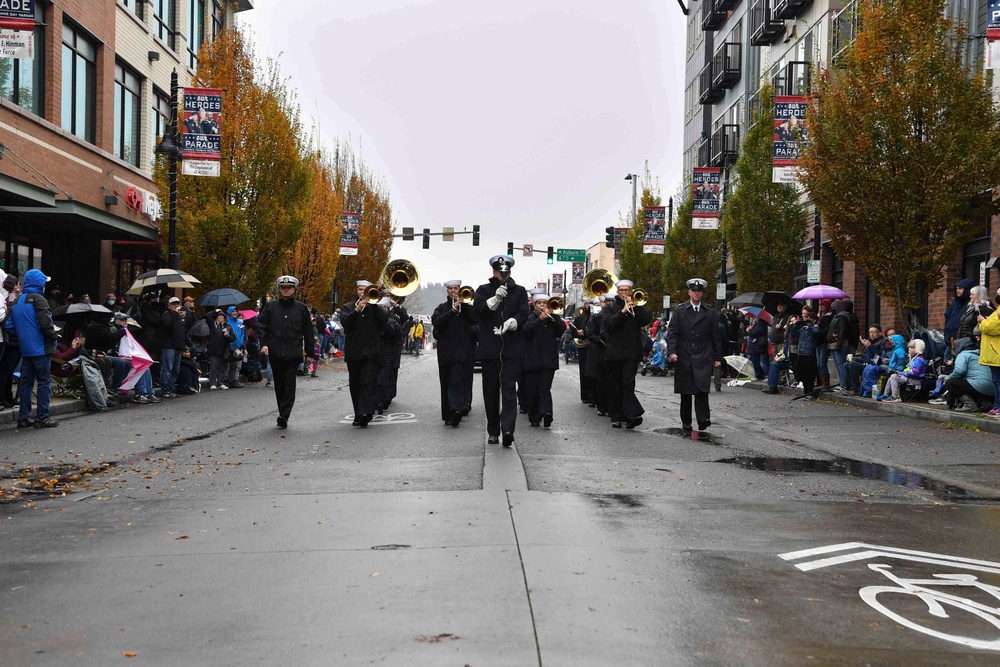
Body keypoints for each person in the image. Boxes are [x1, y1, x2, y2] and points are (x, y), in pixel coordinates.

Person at [473, 254, 529, 447]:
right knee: (490, 392)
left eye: (505, 272)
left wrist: (512, 322)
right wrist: (494, 299)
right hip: (490, 349)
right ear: (494, 272)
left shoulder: (520, 291)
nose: (502, 275)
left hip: (512, 349)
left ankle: (507, 430)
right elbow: (478, 312)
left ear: (510, 272)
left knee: (509, 391)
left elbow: (524, 314)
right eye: (499, 272)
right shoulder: (483, 290)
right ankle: (493, 430)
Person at [258, 275, 315, 429]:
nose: (286, 290)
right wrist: (264, 344)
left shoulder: (301, 308)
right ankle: (282, 410)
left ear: (294, 289)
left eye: (289, 287)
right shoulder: (270, 307)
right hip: (276, 351)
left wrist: (310, 354)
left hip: (293, 351)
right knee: (280, 385)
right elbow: (262, 326)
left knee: (289, 383)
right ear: (280, 289)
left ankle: (284, 414)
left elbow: (308, 332)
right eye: (284, 288)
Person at [666, 278, 722, 433]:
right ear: (689, 292)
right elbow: (672, 333)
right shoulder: (680, 310)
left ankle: (703, 418)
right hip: (684, 354)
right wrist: (672, 352)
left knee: (701, 388)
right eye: (693, 291)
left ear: (702, 293)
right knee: (686, 391)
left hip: (703, 353)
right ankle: (686, 422)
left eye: (699, 291)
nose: (696, 293)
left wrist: (718, 357)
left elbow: (715, 336)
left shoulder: (710, 312)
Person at [6, 269, 59, 428]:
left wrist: (24, 334)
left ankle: (24, 417)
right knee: (43, 382)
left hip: (26, 348)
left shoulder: (18, 300)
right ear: (39, 283)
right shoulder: (39, 299)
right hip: (41, 348)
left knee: (26, 383)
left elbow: (9, 325)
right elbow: (45, 323)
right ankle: (42, 417)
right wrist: (54, 336)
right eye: (43, 282)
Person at [338, 280, 388, 427]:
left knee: (367, 382)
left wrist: (373, 304)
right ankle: (358, 413)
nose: (362, 292)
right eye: (360, 289)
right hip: (354, 352)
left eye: (365, 290)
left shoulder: (375, 309)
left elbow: (384, 321)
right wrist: (357, 310)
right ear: (356, 291)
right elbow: (345, 324)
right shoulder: (347, 307)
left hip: (371, 353)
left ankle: (366, 412)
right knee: (355, 384)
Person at [603, 280, 651, 429]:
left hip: (631, 352)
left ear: (631, 291)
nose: (624, 293)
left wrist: (636, 307)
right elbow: (609, 325)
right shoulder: (610, 308)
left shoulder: (636, 306)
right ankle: (616, 416)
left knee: (627, 383)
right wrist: (623, 312)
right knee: (615, 385)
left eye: (627, 290)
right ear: (618, 292)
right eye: (621, 291)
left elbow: (646, 320)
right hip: (614, 352)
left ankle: (631, 415)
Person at [432, 280, 478, 427]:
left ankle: (457, 410)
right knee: (445, 383)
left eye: (456, 288)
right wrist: (451, 312)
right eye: (451, 289)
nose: (453, 291)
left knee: (456, 381)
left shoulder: (467, 308)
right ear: (447, 291)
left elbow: (475, 321)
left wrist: (462, 307)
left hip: (462, 352)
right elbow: (436, 322)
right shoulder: (441, 308)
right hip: (445, 353)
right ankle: (448, 414)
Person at [522, 293, 562, 427]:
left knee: (545, 388)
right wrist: (539, 319)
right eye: (540, 303)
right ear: (534, 305)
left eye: (545, 303)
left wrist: (553, 317)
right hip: (532, 361)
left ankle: (547, 413)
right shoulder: (529, 317)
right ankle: (534, 416)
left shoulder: (553, 318)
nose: (543, 306)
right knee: (532, 390)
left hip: (548, 361)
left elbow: (561, 330)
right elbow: (525, 331)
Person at [159, 296, 189, 398]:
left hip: (178, 346)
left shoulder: (180, 317)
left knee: (175, 370)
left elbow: (182, 332)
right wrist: (175, 314)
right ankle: (165, 390)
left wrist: (184, 346)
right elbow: (167, 325)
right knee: (168, 369)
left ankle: (170, 388)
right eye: (174, 304)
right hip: (169, 346)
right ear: (169, 305)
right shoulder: (166, 315)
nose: (176, 306)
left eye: (178, 304)